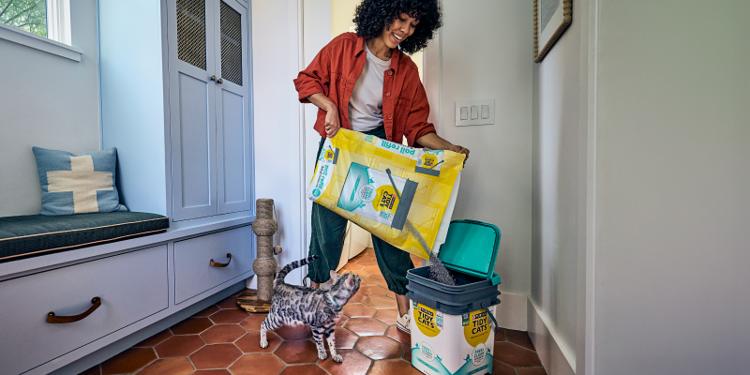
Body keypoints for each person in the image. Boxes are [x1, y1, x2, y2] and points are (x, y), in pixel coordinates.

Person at [293, 0, 469, 334]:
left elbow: (418, 128)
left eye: (413, 25)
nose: (404, 30)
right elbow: (306, 80)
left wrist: (450, 149)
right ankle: (314, 302)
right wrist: (328, 105)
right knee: (326, 227)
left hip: (379, 150)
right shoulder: (343, 46)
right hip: (340, 144)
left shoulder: (406, 71)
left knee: (391, 228)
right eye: (400, 19)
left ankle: (406, 313)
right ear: (383, 13)